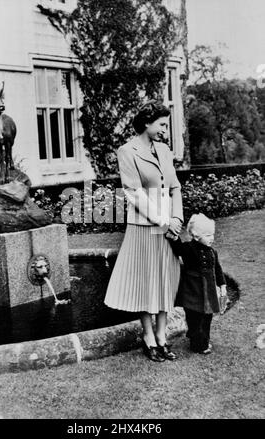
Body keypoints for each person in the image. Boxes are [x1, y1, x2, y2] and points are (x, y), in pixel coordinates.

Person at [104, 100, 183, 362]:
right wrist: (163, 220)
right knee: (146, 282)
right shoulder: (127, 151)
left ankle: (162, 336)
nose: (164, 129)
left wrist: (176, 218)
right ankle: (149, 337)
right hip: (143, 227)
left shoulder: (164, 150)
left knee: (164, 280)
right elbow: (134, 193)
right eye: (161, 124)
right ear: (147, 123)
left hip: (167, 228)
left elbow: (175, 188)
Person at [167, 213, 227, 355]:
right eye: (207, 235)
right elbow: (179, 249)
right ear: (196, 236)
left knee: (207, 317)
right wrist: (174, 238)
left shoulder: (212, 252)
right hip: (193, 291)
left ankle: (202, 340)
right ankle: (198, 344)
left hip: (209, 291)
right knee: (194, 317)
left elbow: (217, 269)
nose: (211, 238)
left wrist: (222, 285)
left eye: (212, 234)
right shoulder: (190, 248)